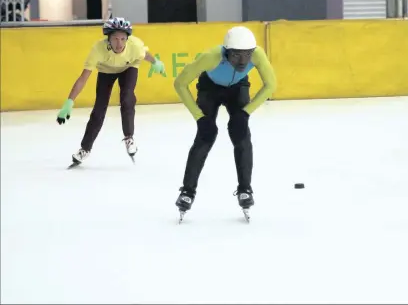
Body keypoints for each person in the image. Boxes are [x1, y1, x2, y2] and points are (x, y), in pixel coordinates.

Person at [173, 25, 277, 217]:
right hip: (209, 88)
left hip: (238, 88)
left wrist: (245, 113)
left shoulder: (258, 55)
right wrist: (200, 117)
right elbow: (179, 83)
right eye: (236, 55)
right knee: (206, 135)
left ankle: (245, 189)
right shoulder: (211, 56)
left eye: (247, 55)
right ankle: (187, 191)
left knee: (241, 134)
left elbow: (271, 85)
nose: (243, 61)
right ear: (226, 52)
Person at [56, 17, 166, 165]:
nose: (119, 44)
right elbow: (83, 78)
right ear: (108, 39)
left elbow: (145, 54)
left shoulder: (135, 46)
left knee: (127, 97)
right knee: (99, 110)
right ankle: (85, 149)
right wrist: (69, 101)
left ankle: (129, 138)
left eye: (122, 39)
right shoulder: (98, 50)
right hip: (106, 71)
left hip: (129, 67)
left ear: (128, 39)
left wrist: (155, 62)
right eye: (115, 39)